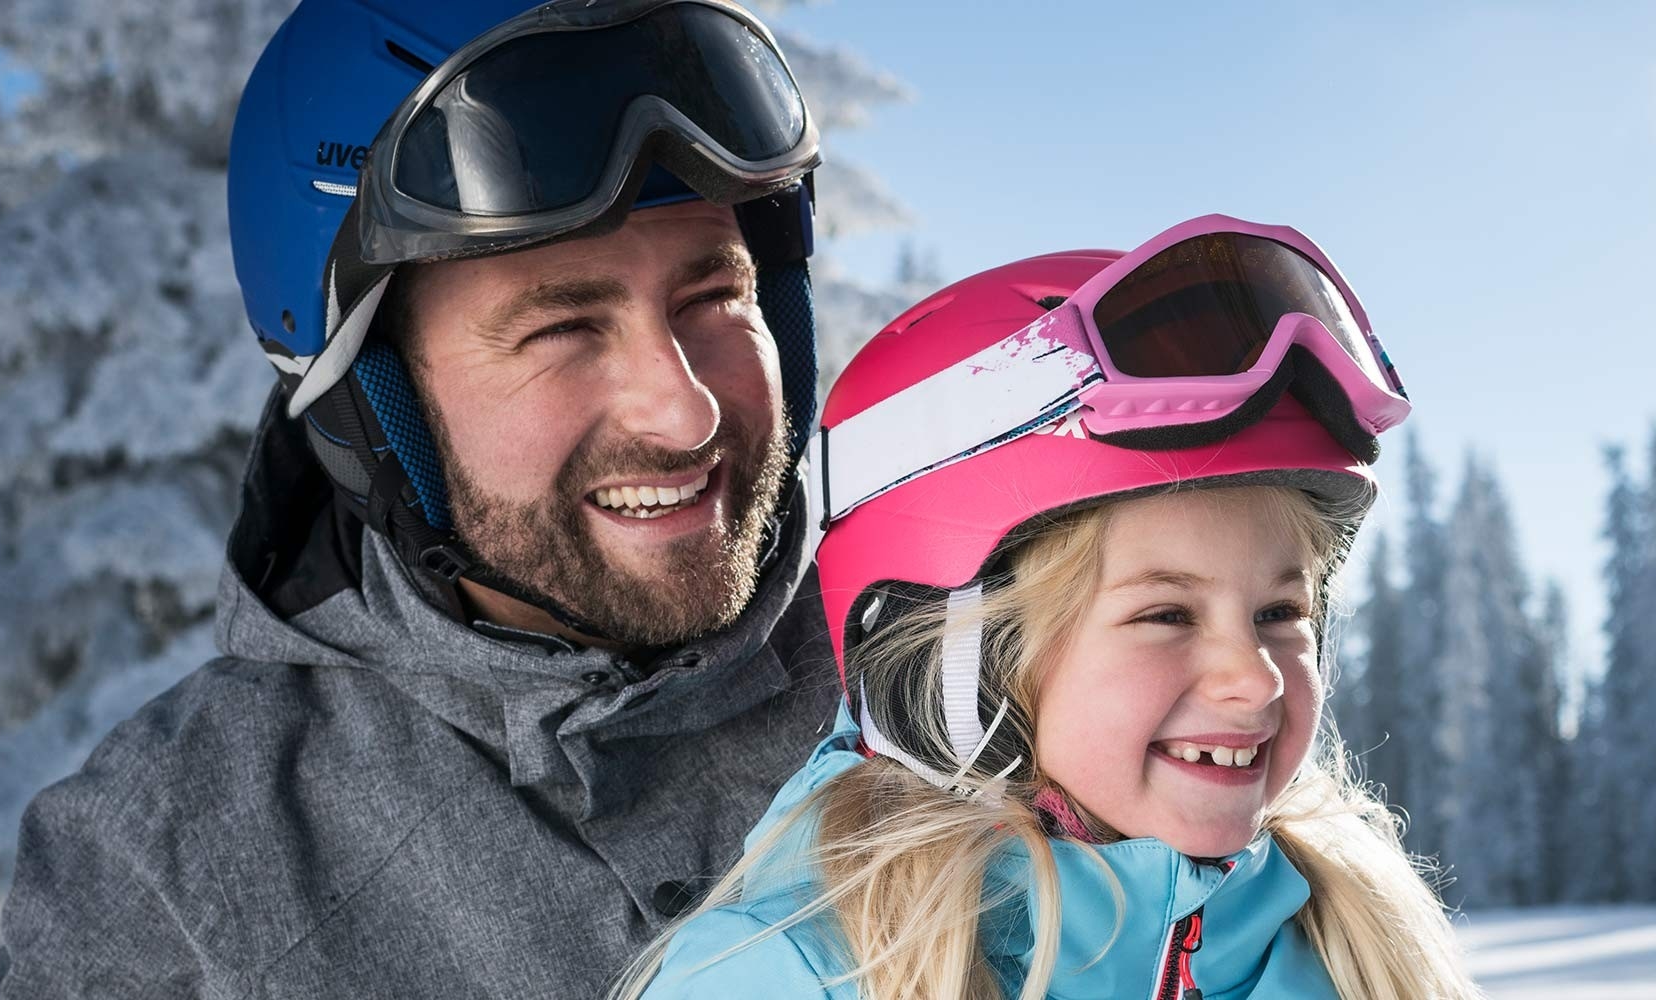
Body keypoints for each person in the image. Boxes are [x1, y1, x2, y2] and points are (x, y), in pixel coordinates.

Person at [0, 0, 848, 994]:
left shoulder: (947, 642)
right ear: (374, 402)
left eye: (716, 297)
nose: (683, 414)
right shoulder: (175, 863)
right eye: (562, 330)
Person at [619, 216, 1483, 999]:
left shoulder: (1358, 951)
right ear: (954, 666)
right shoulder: (795, 976)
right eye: (1167, 616)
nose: (1256, 681)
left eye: (1280, 613)